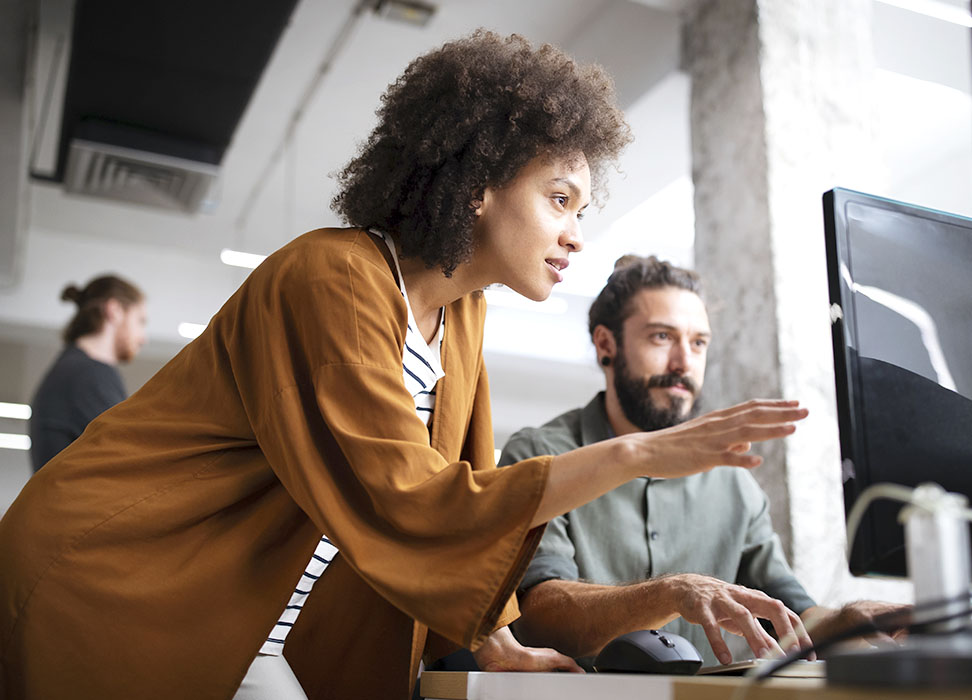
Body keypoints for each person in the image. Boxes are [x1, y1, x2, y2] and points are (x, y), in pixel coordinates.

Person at [0, 33, 809, 700]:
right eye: (559, 199)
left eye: (581, 212)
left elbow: (464, 508)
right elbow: (412, 500)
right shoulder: (332, 279)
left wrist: (498, 647)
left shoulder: (461, 315)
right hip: (122, 577)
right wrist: (639, 454)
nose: (574, 235)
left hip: (248, 616)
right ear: (476, 185)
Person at [501, 255, 905, 668]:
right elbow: (539, 616)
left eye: (698, 343)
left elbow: (792, 613)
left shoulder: (733, 480)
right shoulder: (540, 456)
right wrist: (671, 593)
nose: (683, 363)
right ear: (606, 344)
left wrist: (848, 621)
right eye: (662, 337)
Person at [29, 275, 147, 471]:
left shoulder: (73, 369)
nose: (143, 339)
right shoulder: (89, 374)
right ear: (115, 310)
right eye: (140, 321)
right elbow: (128, 459)